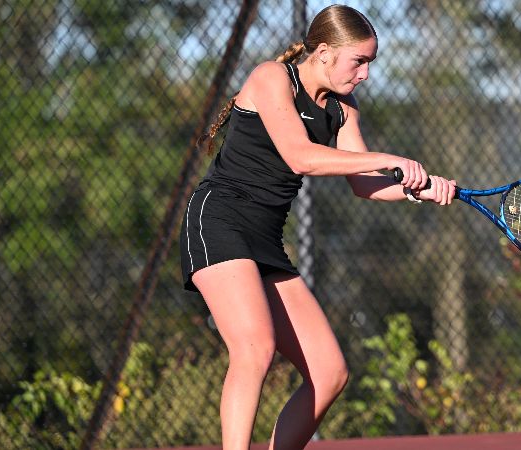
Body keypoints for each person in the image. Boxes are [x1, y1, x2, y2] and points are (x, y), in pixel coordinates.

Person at [179, 4, 457, 450]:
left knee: (329, 373)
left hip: (265, 238)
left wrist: (418, 190)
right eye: (359, 61)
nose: (365, 74)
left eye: (370, 63)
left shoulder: (343, 110)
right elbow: (300, 156)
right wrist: (389, 160)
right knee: (254, 348)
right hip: (220, 219)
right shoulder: (272, 78)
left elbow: (365, 186)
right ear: (324, 52)